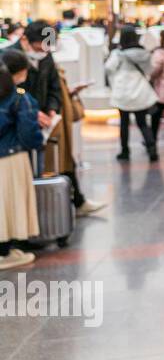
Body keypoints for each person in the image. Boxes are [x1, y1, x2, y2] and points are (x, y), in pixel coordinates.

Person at [20, 20, 104, 214]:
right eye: (38, 46)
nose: (42, 50)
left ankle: (69, 204)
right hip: (24, 120)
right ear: (25, 40)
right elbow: (11, 90)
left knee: (62, 159)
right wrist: (32, 111)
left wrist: (51, 108)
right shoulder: (11, 57)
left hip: (48, 120)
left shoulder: (46, 56)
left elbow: (54, 86)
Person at [0, 51, 42, 270]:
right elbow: (29, 134)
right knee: (9, 204)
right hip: (12, 158)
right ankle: (5, 253)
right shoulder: (19, 96)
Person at [106, 26, 159, 162]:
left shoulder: (118, 53)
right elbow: (150, 70)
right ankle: (151, 148)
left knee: (124, 122)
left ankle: (125, 151)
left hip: (123, 91)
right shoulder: (144, 53)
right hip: (140, 90)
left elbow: (108, 68)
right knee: (142, 122)